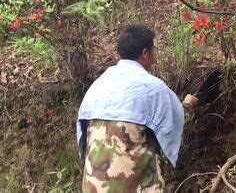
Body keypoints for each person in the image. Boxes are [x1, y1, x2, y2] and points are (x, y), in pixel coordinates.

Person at [76, 24, 197, 192]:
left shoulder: (97, 86)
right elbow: (172, 123)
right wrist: (188, 105)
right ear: (145, 53)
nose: (154, 55)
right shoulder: (153, 87)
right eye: (153, 50)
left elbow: (82, 138)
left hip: (93, 186)